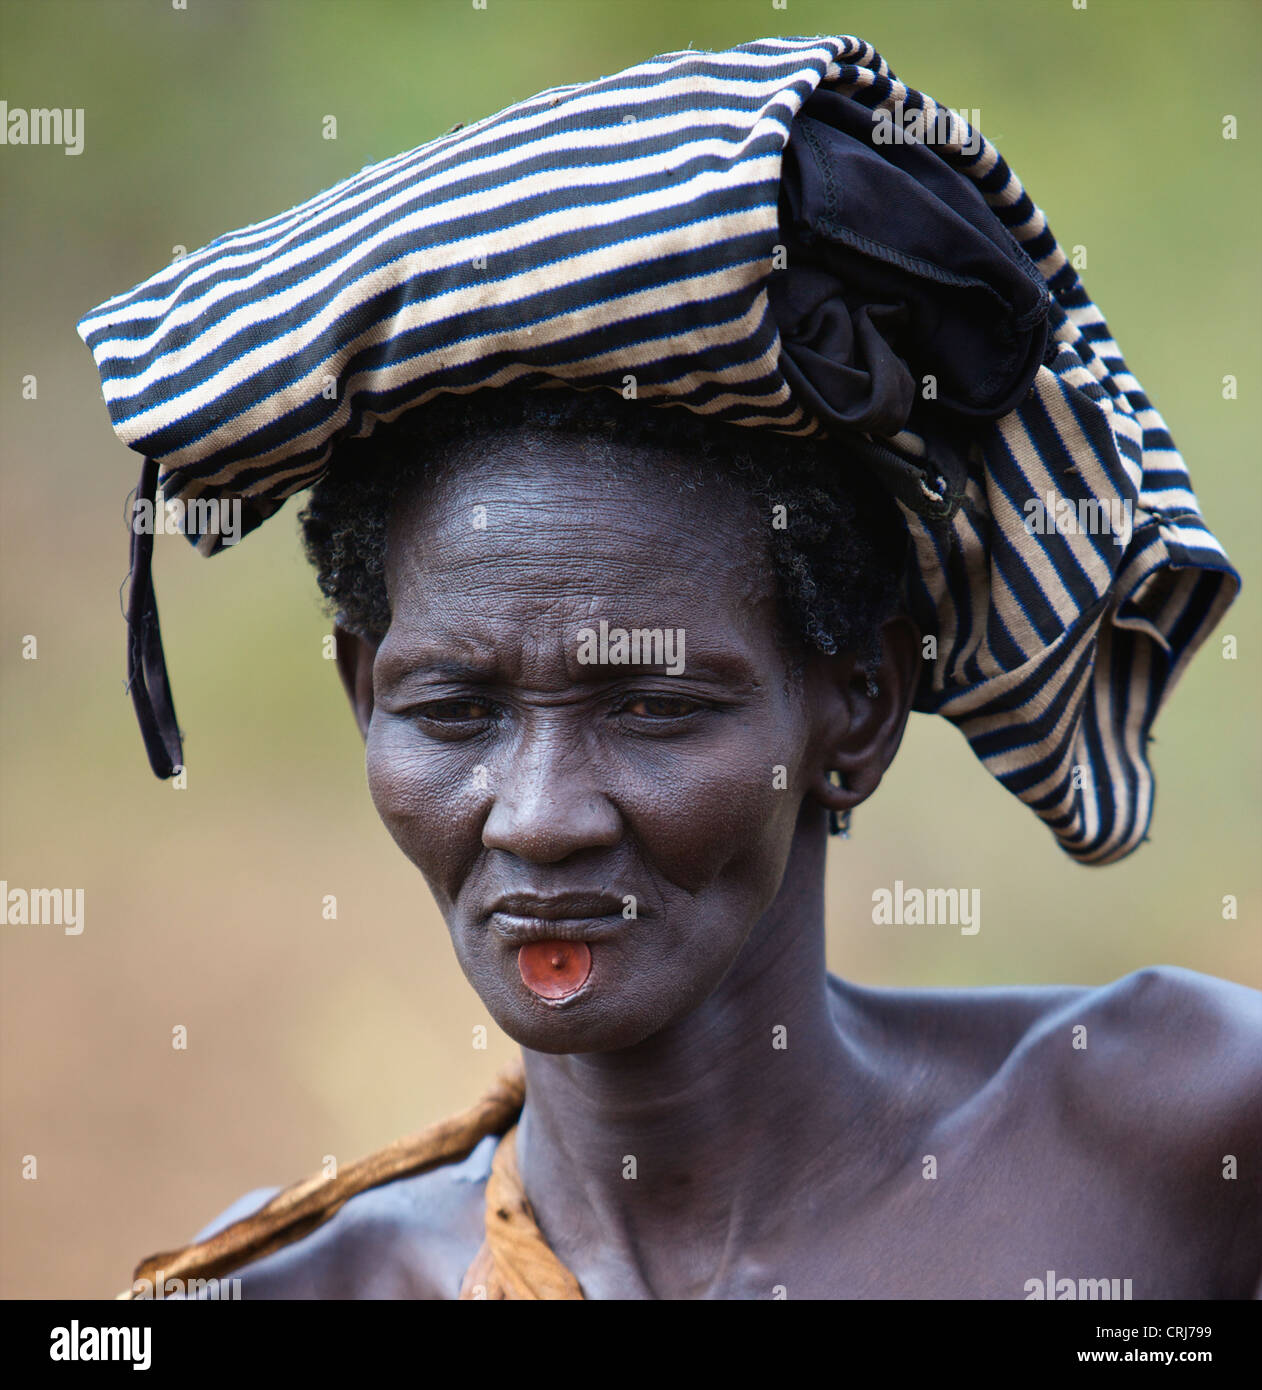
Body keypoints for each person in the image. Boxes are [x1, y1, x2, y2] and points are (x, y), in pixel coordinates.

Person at [80, 34, 1258, 1299]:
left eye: (648, 706)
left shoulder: (1164, 1144)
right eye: (455, 710)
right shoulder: (296, 1291)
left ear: (857, 703)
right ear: (362, 691)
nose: (537, 819)